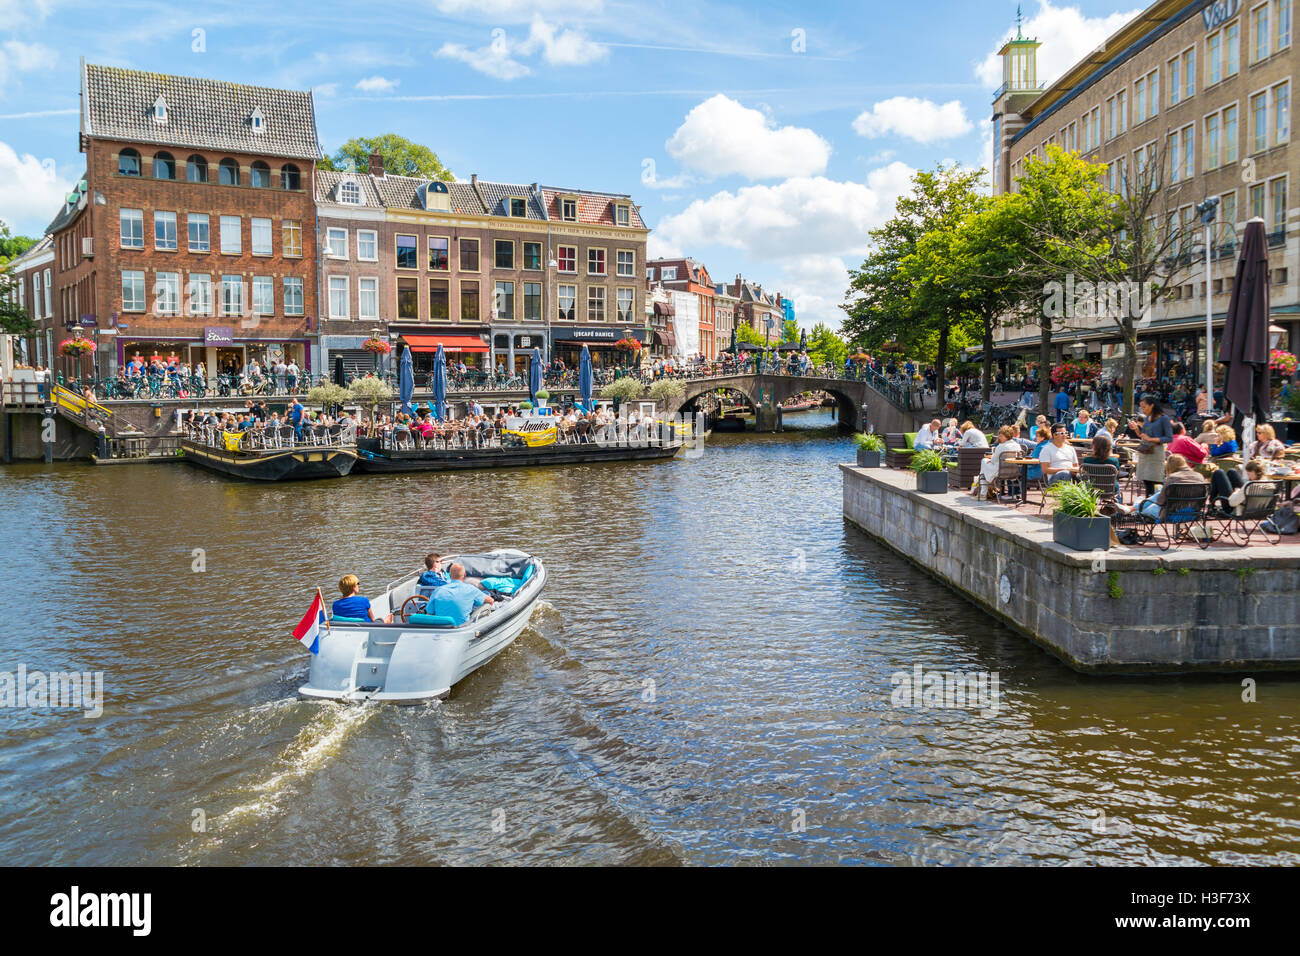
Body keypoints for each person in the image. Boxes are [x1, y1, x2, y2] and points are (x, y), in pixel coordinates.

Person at [1136, 454, 1206, 520]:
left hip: (1171, 513)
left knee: (1143, 510)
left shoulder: (1172, 478)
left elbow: (1161, 501)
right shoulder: (1199, 476)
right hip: (1194, 512)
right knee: (1155, 497)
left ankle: (1135, 507)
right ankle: (1135, 506)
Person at [429, 563, 494, 626]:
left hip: (440, 628)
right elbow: (491, 601)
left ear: (450, 576)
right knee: (487, 605)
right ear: (464, 575)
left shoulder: (438, 591)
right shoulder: (471, 589)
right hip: (462, 628)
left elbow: (430, 613)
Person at [1133, 395, 1173, 496]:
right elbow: (1143, 435)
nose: (1143, 410)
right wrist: (1136, 429)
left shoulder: (1164, 418)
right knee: (1146, 481)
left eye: (1144, 407)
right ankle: (1148, 504)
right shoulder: (1147, 419)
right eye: (1141, 407)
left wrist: (1151, 439)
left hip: (1155, 453)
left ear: (1152, 405)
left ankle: (1156, 505)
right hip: (1145, 452)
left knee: (1156, 481)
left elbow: (1169, 438)